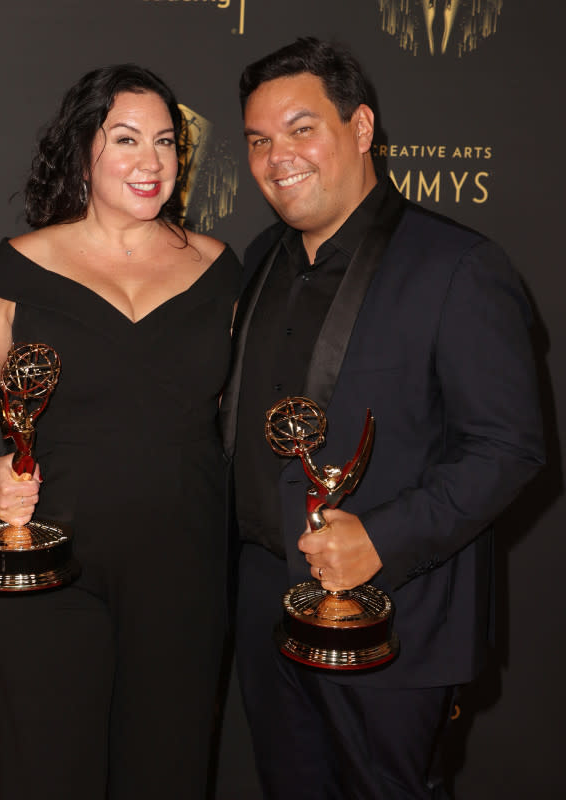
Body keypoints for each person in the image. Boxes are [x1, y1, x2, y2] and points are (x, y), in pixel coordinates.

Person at [219, 37, 544, 799]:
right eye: (259, 140)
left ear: (360, 128)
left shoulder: (456, 265)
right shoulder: (261, 257)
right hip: (267, 609)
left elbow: (508, 447)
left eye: (302, 129)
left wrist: (381, 539)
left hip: (396, 622)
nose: (277, 158)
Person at [0, 64, 239, 799]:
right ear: (83, 151)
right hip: (52, 568)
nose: (150, 161)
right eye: (126, 139)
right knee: (51, 771)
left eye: (165, 142)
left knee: (166, 773)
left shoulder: (222, 269)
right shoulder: (18, 267)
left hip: (186, 566)